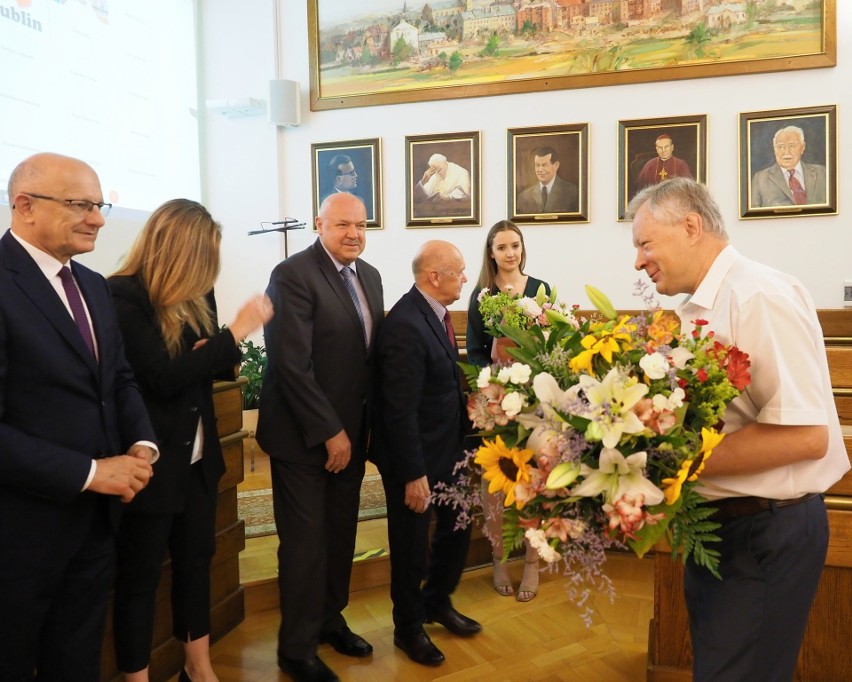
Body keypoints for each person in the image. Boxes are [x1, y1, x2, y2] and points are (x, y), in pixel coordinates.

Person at [626, 177, 850, 682]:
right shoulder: (696, 307)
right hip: (724, 526)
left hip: (767, 530)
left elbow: (806, 435)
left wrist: (671, 463)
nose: (638, 261)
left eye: (644, 243)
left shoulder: (757, 297)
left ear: (691, 226)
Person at [0, 152, 157, 681]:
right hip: (22, 530)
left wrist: (141, 446)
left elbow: (118, 380)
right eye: (80, 205)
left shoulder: (92, 284)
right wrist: (91, 473)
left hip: (95, 523)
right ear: (24, 207)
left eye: (99, 204)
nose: (98, 218)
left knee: (78, 658)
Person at [108, 199, 273, 682]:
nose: (210, 272)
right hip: (152, 464)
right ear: (178, 251)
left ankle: (198, 668)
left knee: (196, 566)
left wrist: (216, 351)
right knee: (139, 580)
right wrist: (233, 335)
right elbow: (160, 378)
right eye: (205, 259)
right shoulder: (123, 296)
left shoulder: (198, 295)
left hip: (200, 461)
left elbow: (212, 367)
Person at [257, 192, 384, 682]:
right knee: (305, 544)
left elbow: (366, 360)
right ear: (319, 224)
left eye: (361, 225)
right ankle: (296, 647)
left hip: (351, 438)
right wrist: (330, 431)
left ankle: (330, 620)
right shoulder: (292, 275)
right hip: (303, 440)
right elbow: (291, 364)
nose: (354, 233)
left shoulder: (369, 276)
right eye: (343, 225)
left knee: (340, 535)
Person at [371, 240, 481, 668]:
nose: (465, 278)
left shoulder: (433, 314)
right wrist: (413, 474)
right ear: (434, 276)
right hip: (413, 458)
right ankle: (408, 628)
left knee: (457, 527)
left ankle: (436, 602)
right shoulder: (404, 324)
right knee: (410, 545)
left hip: (447, 449)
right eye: (458, 271)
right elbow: (397, 411)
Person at [465, 220, 549, 602]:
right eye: (502, 247)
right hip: (496, 402)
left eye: (515, 245)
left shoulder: (540, 289)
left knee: (534, 483)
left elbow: (551, 345)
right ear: (491, 252)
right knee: (495, 482)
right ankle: (499, 558)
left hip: (535, 403)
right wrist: (495, 380)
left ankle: (531, 563)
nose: (510, 253)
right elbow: (476, 351)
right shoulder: (480, 294)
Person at [751, 125, 827, 207]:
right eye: (781, 147)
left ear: (802, 147)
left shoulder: (823, 173)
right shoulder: (760, 179)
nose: (786, 152)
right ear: (774, 149)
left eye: (792, 146)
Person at [516, 146, 579, 214]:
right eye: (537, 165)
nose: (540, 170)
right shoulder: (524, 197)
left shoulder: (572, 192)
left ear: (556, 165)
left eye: (545, 165)